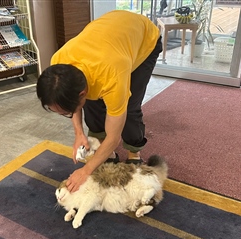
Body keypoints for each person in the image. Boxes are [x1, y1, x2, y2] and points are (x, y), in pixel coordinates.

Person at [36, 10, 162, 192]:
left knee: (130, 106)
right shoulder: (59, 62)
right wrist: (79, 133)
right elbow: (72, 99)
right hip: (110, 38)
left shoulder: (112, 75)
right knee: (94, 105)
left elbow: (114, 136)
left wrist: (86, 171)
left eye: (66, 113)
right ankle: (105, 153)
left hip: (144, 39)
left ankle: (134, 152)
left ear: (82, 92)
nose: (67, 114)